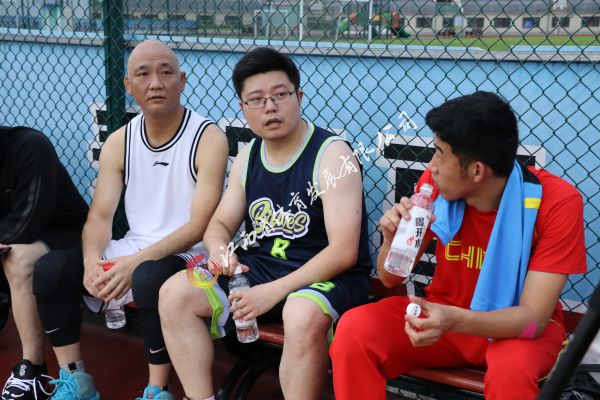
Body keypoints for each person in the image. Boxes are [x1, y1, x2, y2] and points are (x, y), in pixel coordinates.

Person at [329, 91, 588, 400]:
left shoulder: (557, 202)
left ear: (477, 171)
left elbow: (532, 319)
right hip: (444, 317)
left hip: (514, 330)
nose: (432, 165)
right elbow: (390, 278)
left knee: (511, 369)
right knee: (354, 330)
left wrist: (454, 319)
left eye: (440, 153)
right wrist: (390, 241)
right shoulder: (433, 185)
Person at [158, 47, 373, 400]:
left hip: (330, 278)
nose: (270, 107)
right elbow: (219, 224)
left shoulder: (333, 155)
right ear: (243, 108)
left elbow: (343, 252)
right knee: (174, 293)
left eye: (280, 95)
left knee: (300, 311)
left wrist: (274, 291)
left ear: (298, 97)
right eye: (256, 100)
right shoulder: (249, 155)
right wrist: (219, 250)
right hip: (264, 270)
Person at [32, 40, 228, 400]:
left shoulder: (208, 137)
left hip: (195, 254)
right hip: (136, 246)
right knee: (51, 270)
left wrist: (134, 263)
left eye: (166, 73)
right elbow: (100, 217)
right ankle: (75, 382)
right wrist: (92, 261)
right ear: (128, 84)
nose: (156, 83)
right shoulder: (120, 140)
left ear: (182, 80)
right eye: (143, 74)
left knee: (147, 276)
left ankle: (157, 390)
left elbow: (199, 226)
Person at [1, 126, 89, 400]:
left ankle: (32, 370)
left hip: (68, 235)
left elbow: (27, 224)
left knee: (17, 258)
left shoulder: (30, 146)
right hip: (13, 235)